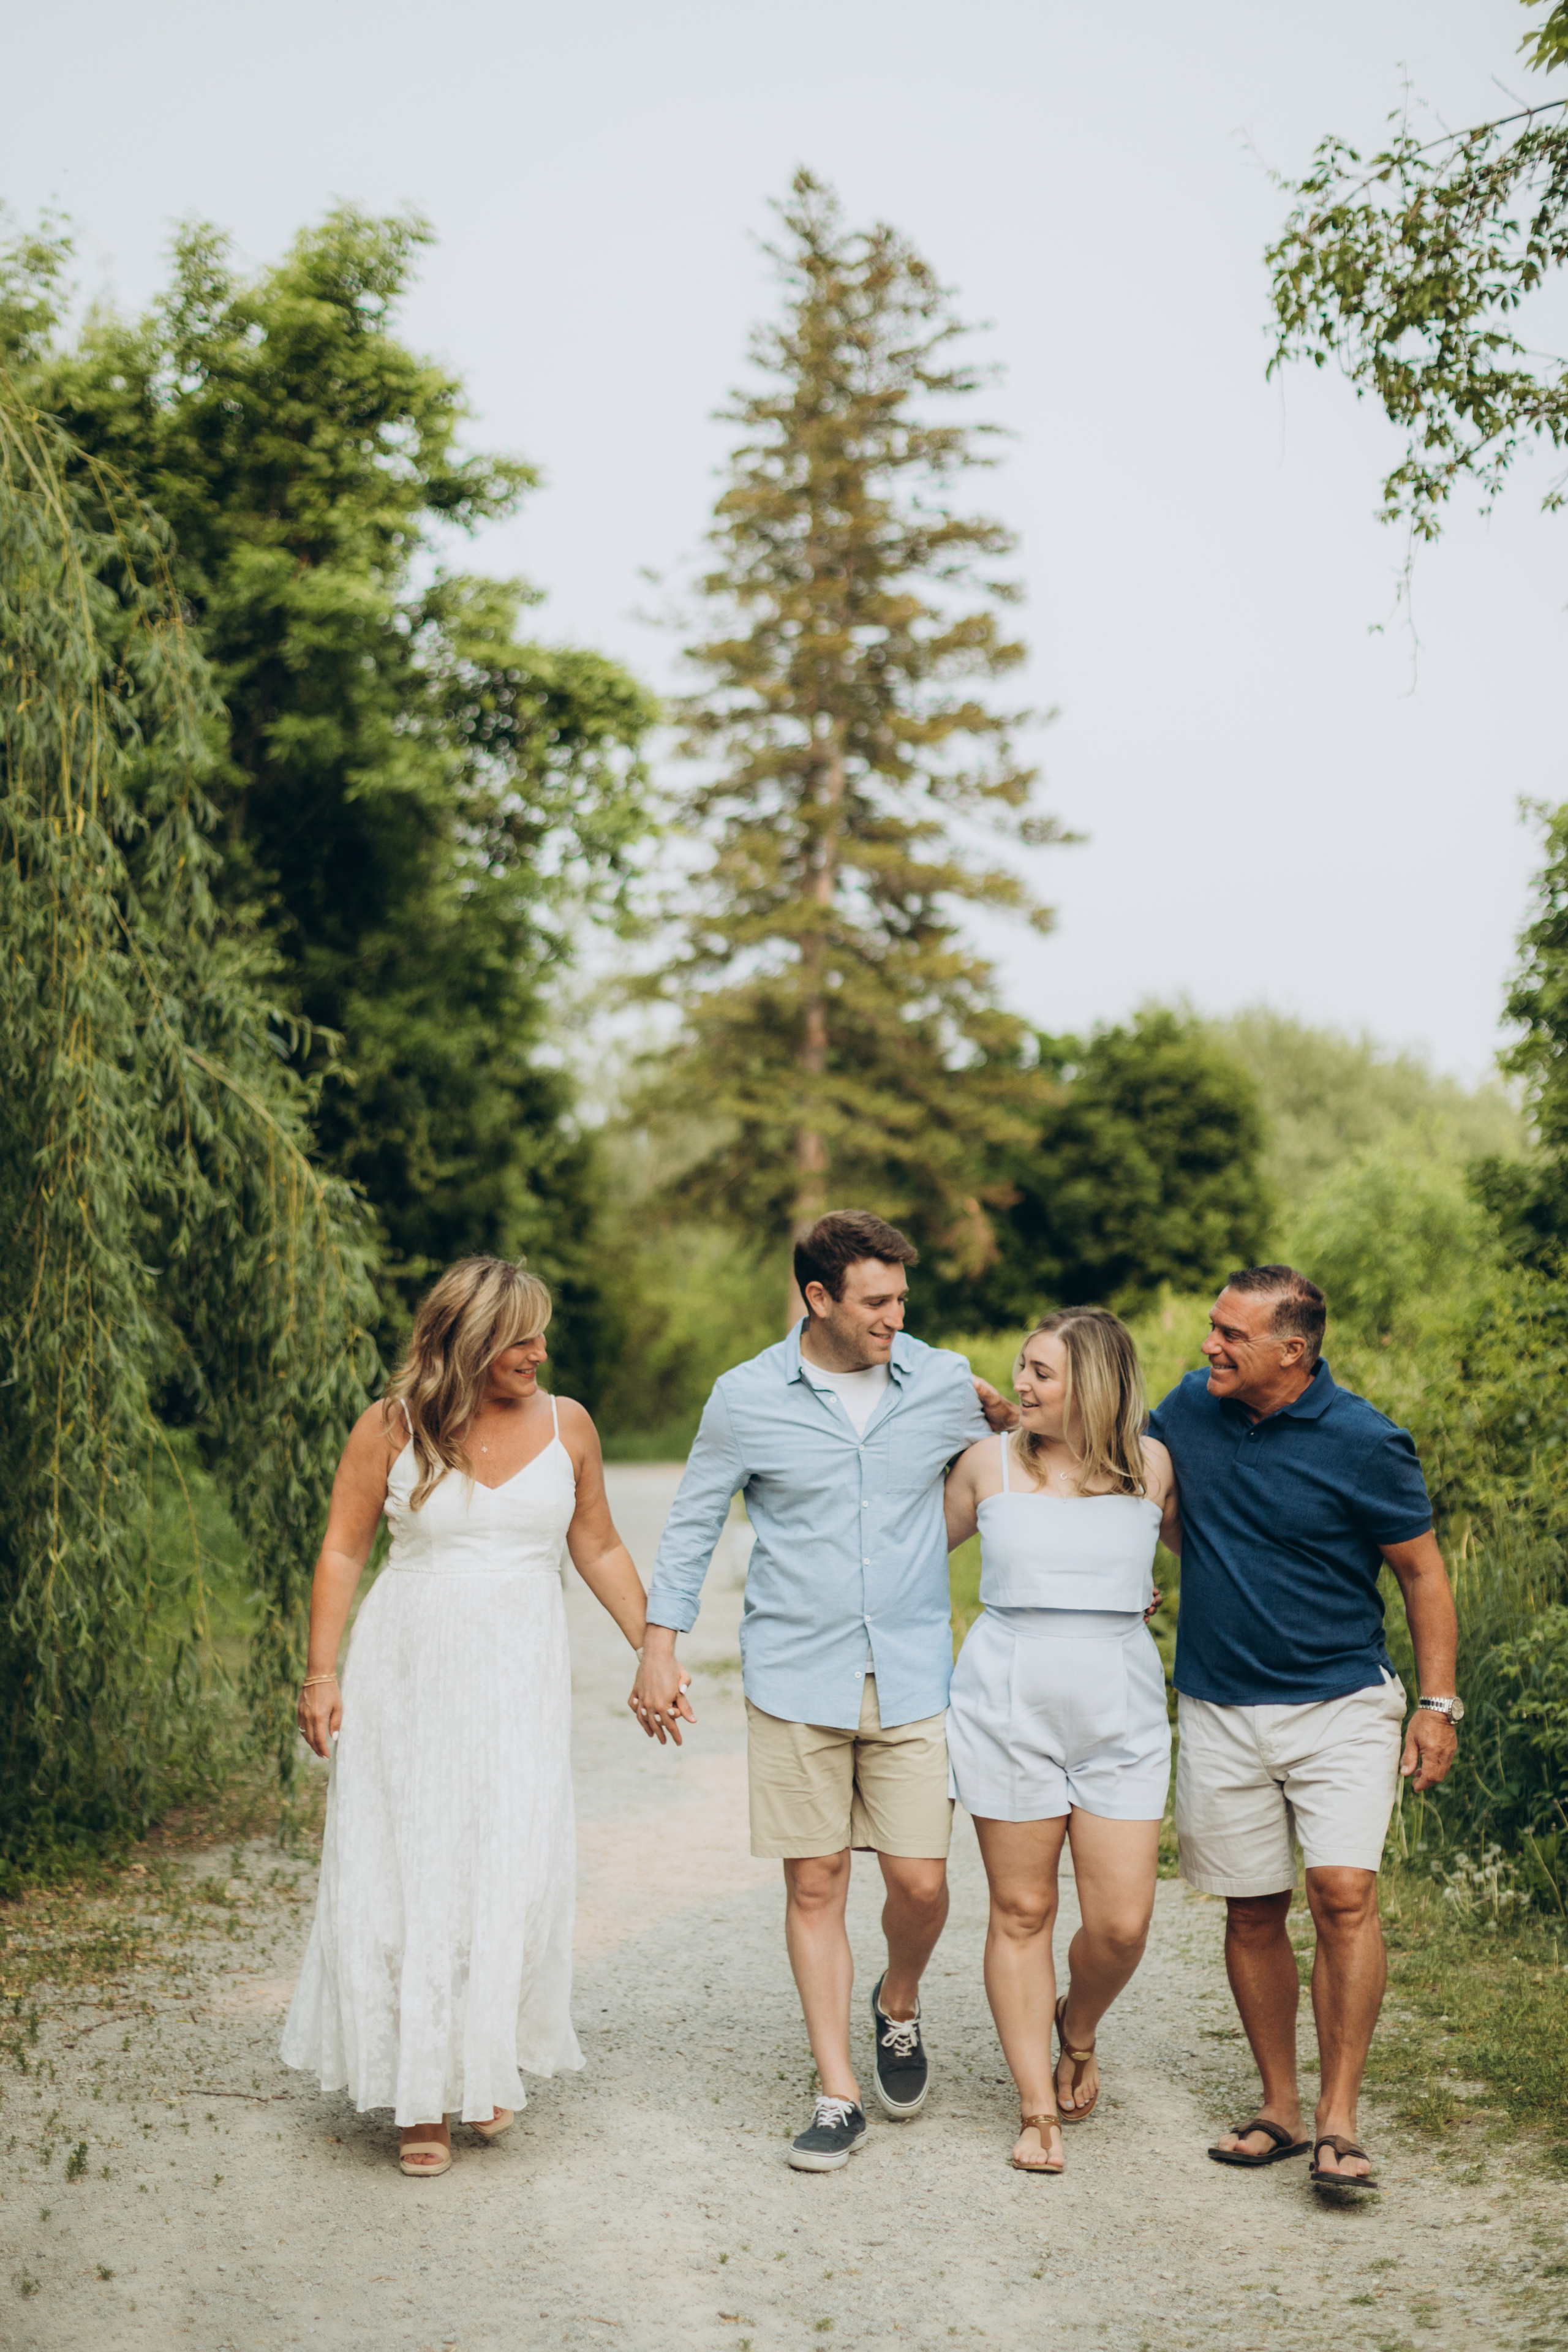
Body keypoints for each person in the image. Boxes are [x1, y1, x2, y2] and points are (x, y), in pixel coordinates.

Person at [633, 1209, 1016, 2172]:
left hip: (914, 1673)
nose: (896, 1317)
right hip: (796, 1675)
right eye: (876, 1302)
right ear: (818, 1298)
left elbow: (1033, 1461)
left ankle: (898, 2002)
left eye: (902, 1299)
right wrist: (658, 1646)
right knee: (815, 1881)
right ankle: (837, 2091)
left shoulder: (940, 1380)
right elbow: (691, 1525)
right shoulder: (743, 1398)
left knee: (922, 1882)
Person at [281, 1257, 658, 2177]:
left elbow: (599, 1543)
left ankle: (481, 2058)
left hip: (519, 1676)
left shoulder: (569, 1426)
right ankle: (423, 2100)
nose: (537, 1351)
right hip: (410, 1667)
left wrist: (654, 1646)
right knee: (413, 1867)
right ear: (468, 1340)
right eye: (517, 1336)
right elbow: (342, 1549)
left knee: (515, 1864)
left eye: (541, 1333)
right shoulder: (391, 1426)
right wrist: (319, 1675)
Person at [1150, 1264, 1460, 2189]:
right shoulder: (1188, 1409)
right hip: (1218, 1700)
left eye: (1229, 1335)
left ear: (1293, 1350)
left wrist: (1439, 1706)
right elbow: (1124, 1468)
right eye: (1212, 1327)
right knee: (1251, 1909)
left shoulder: (1366, 1441)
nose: (1209, 1345)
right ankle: (1280, 2108)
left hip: (1341, 1703)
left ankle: (1340, 2118)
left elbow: (1423, 1576)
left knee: (1341, 1895)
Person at [943, 1309, 1176, 2174]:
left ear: (1097, 1384)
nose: (1024, 1385)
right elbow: (899, 1563)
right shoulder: (987, 1465)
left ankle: (1076, 2026)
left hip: (1121, 1701)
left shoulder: (1151, 1467)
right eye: (1023, 1368)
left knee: (1121, 1924)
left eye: (1043, 1372)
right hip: (1007, 1699)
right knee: (1022, 1910)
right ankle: (1036, 2106)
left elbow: (1206, 1554)